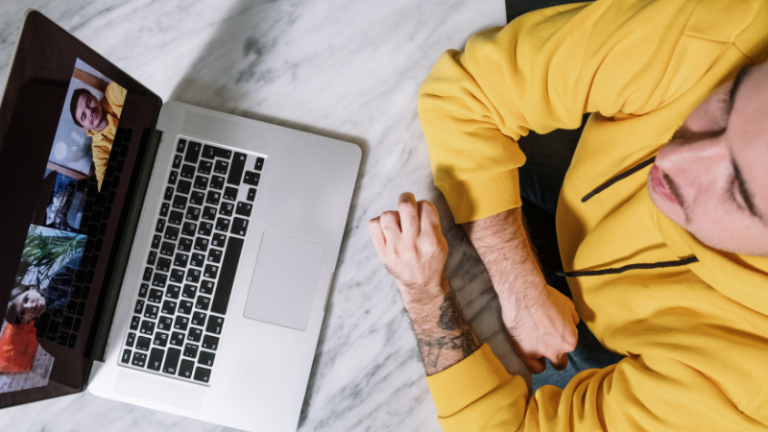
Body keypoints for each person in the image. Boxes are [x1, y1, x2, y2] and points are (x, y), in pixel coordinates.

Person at [369, 0, 768, 430]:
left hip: (618, 345)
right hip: (580, 189)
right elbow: (469, 91)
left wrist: (425, 295)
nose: (670, 159)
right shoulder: (737, 25)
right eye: (726, 105)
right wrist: (520, 285)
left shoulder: (748, 389)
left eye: (737, 191)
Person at [69, 81, 127, 191]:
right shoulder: (98, 150)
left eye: (89, 101)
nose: (90, 111)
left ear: (94, 97)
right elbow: (104, 184)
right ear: (85, 128)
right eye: (83, 116)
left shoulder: (112, 93)